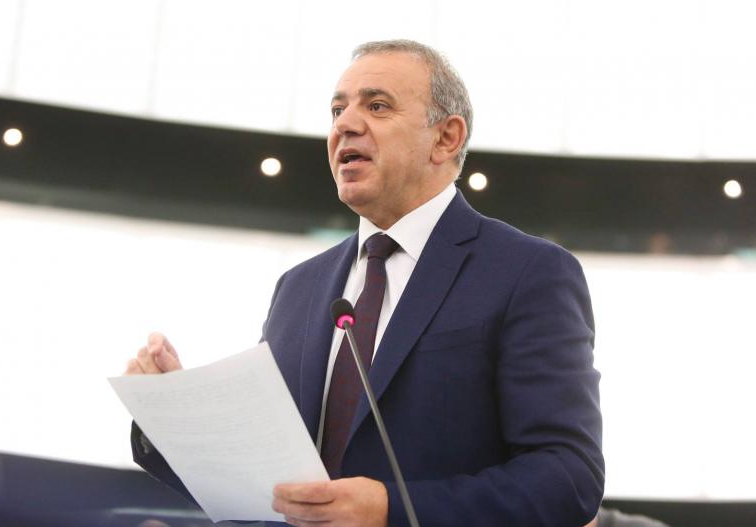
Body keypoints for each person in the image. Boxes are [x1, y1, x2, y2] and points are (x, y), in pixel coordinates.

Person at [125, 39, 604, 526]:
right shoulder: (298, 287)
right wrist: (176, 416)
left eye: (377, 106)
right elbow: (265, 476)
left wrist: (390, 510)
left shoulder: (528, 272)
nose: (344, 125)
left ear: (446, 138)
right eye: (337, 110)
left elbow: (567, 477)